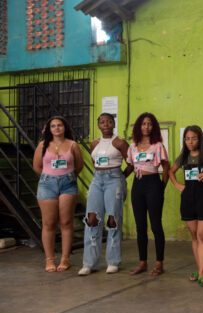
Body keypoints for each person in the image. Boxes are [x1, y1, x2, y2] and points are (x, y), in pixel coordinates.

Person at [169, 126, 203, 287]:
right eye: (187, 138)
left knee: (202, 236)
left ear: (200, 139)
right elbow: (171, 171)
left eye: (194, 138)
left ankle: (201, 273)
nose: (190, 141)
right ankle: (200, 269)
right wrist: (178, 185)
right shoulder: (183, 157)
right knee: (194, 236)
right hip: (187, 199)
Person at [78, 113, 132, 276]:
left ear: (113, 124)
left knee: (112, 219)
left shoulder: (120, 142)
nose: (106, 124)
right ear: (98, 125)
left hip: (114, 179)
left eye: (109, 121)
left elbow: (132, 162)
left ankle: (113, 261)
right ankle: (89, 263)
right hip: (97, 180)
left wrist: (120, 177)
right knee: (92, 219)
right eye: (102, 122)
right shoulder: (94, 143)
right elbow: (95, 162)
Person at [33, 116, 84, 272]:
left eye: (59, 125)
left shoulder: (73, 145)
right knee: (49, 223)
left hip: (68, 184)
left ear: (64, 127)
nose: (56, 128)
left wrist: (65, 176)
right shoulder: (42, 145)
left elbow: (79, 166)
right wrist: (51, 177)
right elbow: (37, 166)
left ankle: (65, 259)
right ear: (49, 129)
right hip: (47, 185)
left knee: (66, 222)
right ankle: (49, 260)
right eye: (53, 126)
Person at [126, 113, 169, 276]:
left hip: (153, 184)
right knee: (140, 226)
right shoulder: (133, 146)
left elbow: (166, 166)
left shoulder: (157, 145)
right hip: (138, 185)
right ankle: (142, 262)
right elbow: (130, 166)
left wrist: (161, 186)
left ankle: (159, 263)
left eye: (149, 124)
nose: (146, 127)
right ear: (139, 126)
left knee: (156, 225)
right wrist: (119, 178)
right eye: (143, 124)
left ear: (154, 127)